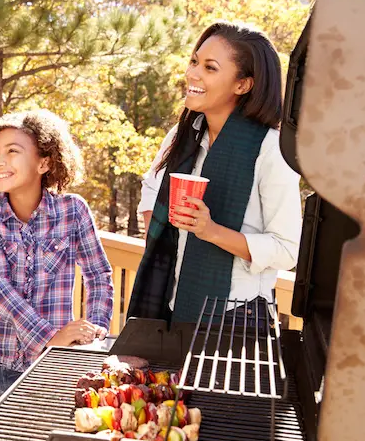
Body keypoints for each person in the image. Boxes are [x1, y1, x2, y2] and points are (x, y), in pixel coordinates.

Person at [127, 21, 302, 324]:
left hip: (236, 319)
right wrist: (161, 236)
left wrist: (211, 232)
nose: (192, 73)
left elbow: (287, 250)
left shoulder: (270, 148)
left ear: (242, 84)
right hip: (171, 309)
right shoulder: (183, 136)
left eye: (210, 68)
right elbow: (151, 190)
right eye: (194, 61)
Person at [0, 110, 114, 399]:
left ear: (44, 162)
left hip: (51, 362)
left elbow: (98, 276)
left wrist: (93, 334)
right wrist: (49, 337)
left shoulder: (73, 210)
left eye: (12, 151)